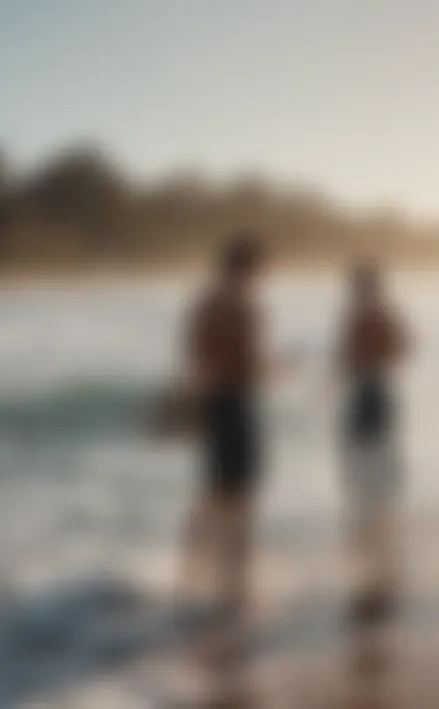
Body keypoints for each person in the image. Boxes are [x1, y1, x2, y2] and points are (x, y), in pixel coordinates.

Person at [179, 235, 266, 618]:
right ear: (246, 269)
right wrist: (274, 369)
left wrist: (198, 405)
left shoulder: (203, 306)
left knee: (215, 491)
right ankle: (234, 586)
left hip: (215, 404)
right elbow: (247, 365)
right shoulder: (241, 308)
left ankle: (193, 573)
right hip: (236, 404)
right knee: (240, 494)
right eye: (259, 271)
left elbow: (197, 361)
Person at [337, 263, 412, 621]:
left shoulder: (359, 315)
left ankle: (371, 554)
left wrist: (357, 362)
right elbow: (404, 349)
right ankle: (384, 553)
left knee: (361, 473)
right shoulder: (386, 313)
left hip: (365, 392)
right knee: (381, 471)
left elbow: (345, 359)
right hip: (381, 389)